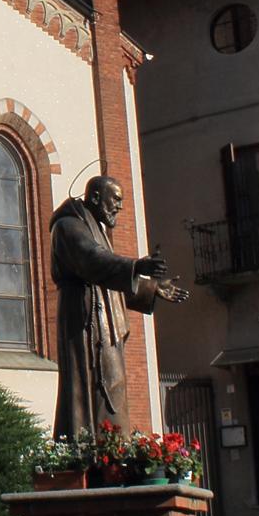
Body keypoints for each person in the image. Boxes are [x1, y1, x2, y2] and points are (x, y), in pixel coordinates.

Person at [52, 175, 188, 444]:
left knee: (112, 387)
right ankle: (94, 450)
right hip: (84, 320)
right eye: (115, 199)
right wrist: (135, 266)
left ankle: (115, 449)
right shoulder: (68, 226)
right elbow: (92, 261)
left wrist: (152, 288)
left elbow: (109, 279)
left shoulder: (96, 229)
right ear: (95, 197)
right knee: (91, 387)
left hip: (104, 324)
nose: (120, 206)